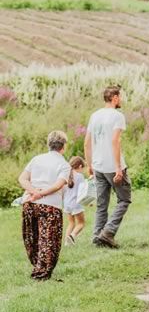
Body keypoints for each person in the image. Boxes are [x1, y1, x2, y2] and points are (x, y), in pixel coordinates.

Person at [18, 131, 71, 281]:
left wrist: (33, 192)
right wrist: (39, 194)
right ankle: (42, 272)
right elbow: (58, 185)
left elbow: (22, 178)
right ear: (63, 146)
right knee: (49, 239)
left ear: (49, 144)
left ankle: (37, 265)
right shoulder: (64, 165)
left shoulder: (36, 159)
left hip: (30, 203)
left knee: (32, 237)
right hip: (50, 206)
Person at [84, 85, 131, 249]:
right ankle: (108, 233)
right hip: (112, 166)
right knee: (124, 199)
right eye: (121, 97)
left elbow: (87, 143)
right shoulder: (117, 116)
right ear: (115, 98)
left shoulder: (94, 116)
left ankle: (97, 237)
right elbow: (115, 141)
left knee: (101, 204)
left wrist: (89, 165)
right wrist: (118, 168)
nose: (122, 100)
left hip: (98, 166)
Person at [63, 156, 87, 246]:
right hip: (76, 204)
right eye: (82, 168)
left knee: (71, 223)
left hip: (66, 204)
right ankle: (72, 236)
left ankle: (66, 243)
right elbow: (83, 192)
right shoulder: (80, 176)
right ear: (80, 166)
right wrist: (88, 202)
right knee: (81, 223)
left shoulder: (66, 175)